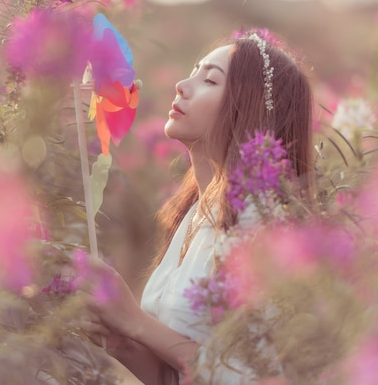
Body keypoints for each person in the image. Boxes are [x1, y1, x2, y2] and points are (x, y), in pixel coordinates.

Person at [81, 29, 314, 384]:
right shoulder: (195, 211)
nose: (181, 85)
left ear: (246, 105)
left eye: (209, 80)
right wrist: (121, 341)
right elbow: (175, 378)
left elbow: (252, 376)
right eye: (193, 71)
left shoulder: (263, 221)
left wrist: (135, 322)